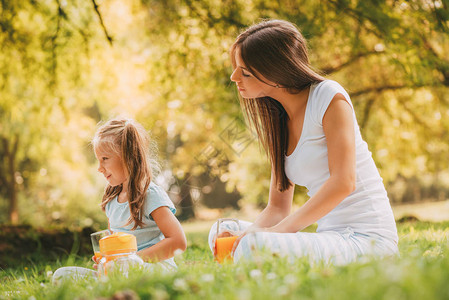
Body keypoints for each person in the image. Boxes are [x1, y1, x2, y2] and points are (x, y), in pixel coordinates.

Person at [208, 19, 398, 265]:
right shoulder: (279, 119)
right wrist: (245, 235)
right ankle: (245, 253)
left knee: (253, 245)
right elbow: (277, 209)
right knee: (224, 230)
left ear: (274, 72)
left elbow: (343, 182)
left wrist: (270, 235)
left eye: (244, 71)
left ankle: (248, 255)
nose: (234, 77)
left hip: (368, 241)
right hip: (331, 237)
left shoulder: (329, 96)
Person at [53, 118, 186, 283]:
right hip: (120, 272)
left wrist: (132, 261)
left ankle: (113, 283)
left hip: (154, 269)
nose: (99, 167)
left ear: (128, 157)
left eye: (105, 159)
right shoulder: (112, 199)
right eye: (98, 160)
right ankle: (109, 285)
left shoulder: (150, 195)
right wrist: (107, 258)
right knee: (61, 274)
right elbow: (115, 241)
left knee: (117, 270)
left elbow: (178, 242)